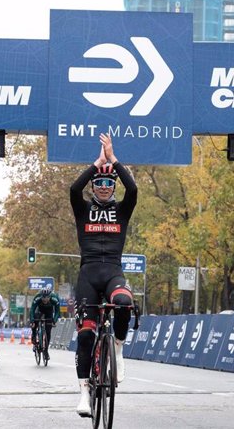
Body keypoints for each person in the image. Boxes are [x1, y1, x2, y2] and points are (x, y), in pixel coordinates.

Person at [70, 133, 137, 416]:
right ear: (94, 186)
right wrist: (96, 164)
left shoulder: (122, 211)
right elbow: (74, 189)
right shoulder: (83, 210)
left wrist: (113, 159)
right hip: (87, 275)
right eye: (100, 183)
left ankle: (118, 350)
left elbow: (132, 189)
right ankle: (84, 392)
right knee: (86, 336)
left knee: (123, 303)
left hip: (112, 273)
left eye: (110, 184)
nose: (105, 188)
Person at [30, 285, 61, 361]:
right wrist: (32, 321)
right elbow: (32, 310)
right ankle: (34, 337)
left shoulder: (54, 298)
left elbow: (57, 311)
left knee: (48, 331)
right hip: (39, 310)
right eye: (43, 298)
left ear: (49, 296)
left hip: (49, 311)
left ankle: (46, 351)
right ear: (41, 296)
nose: (45, 300)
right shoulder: (37, 297)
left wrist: (54, 320)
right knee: (35, 323)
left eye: (46, 298)